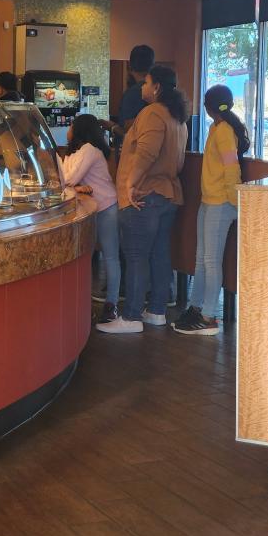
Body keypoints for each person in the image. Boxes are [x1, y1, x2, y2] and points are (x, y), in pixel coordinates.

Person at [97, 65, 187, 334]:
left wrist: (130, 183)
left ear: (157, 87)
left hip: (144, 195)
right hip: (168, 193)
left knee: (136, 256)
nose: (143, 87)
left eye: (146, 83)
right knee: (159, 253)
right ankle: (156, 310)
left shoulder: (152, 113)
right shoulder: (177, 116)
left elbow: (146, 152)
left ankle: (132, 316)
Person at [173, 85, 249, 336]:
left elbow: (231, 169)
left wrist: (234, 203)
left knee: (211, 261)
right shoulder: (216, 128)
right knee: (202, 258)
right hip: (210, 201)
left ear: (209, 106)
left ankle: (208, 316)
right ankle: (197, 308)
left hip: (221, 204)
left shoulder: (225, 131)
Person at [62, 114, 120, 323]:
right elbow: (67, 181)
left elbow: (67, 178)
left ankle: (111, 305)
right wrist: (75, 186)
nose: (68, 128)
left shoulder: (89, 150)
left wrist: (72, 185)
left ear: (79, 129)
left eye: (71, 124)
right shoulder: (74, 152)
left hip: (107, 206)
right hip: (92, 208)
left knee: (111, 257)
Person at [118, 44, 155, 131]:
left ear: (130, 65)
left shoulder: (132, 93)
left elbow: (127, 127)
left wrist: (112, 127)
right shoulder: (161, 90)